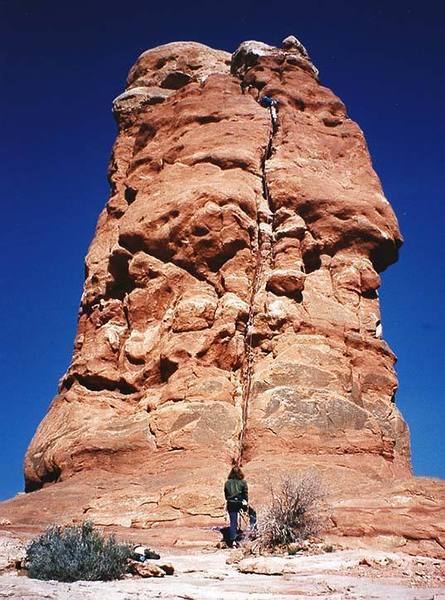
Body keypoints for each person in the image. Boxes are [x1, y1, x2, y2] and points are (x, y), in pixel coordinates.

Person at [224, 465, 257, 547]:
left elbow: (226, 495)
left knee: (233, 522)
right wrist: (246, 504)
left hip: (231, 503)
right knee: (252, 514)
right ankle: (253, 532)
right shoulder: (243, 482)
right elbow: (245, 494)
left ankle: (233, 541)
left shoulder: (227, 483)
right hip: (240, 503)